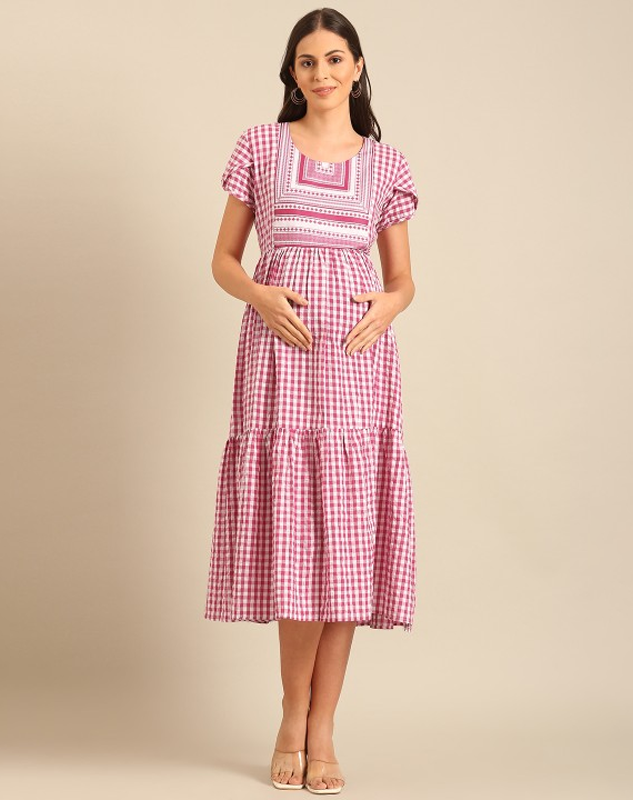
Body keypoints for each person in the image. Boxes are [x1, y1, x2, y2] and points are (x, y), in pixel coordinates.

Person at [204, 7, 419, 794]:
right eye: (306, 61)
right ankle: (291, 714)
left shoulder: (386, 164)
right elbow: (224, 260)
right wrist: (261, 296)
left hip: (357, 367)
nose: (321, 73)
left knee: (348, 539)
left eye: (333, 58)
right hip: (280, 363)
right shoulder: (260, 148)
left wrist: (389, 305)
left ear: (358, 67)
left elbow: (403, 280)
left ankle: (323, 726)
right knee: (298, 534)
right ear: (292, 74)